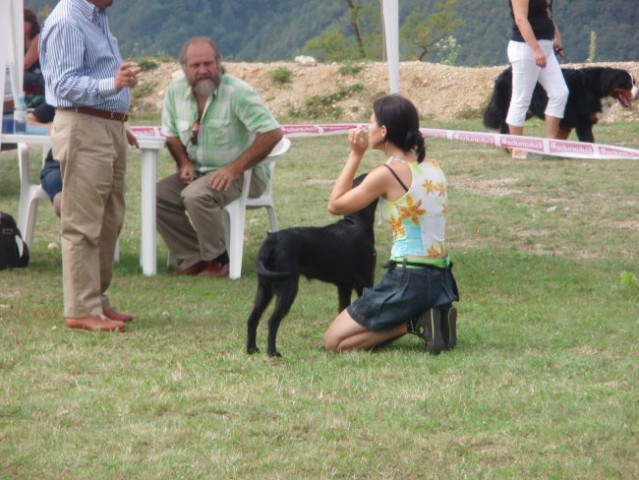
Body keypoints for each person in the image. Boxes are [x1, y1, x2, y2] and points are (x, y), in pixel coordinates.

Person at [323, 94, 459, 354]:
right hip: (441, 277)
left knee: (333, 342)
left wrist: (355, 154)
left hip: (408, 277)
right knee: (343, 339)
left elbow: (335, 205)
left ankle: (415, 322)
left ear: (383, 131)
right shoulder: (434, 169)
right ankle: (430, 316)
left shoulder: (388, 174)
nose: (367, 127)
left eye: (371, 122)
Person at [39, 0, 141, 333]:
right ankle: (81, 308)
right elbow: (62, 85)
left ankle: (96, 298)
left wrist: (118, 103)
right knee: (83, 221)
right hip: (85, 127)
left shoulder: (96, 16)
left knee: (110, 218)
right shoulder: (67, 21)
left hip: (105, 125)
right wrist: (111, 85)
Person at [157, 37, 283, 277]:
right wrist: (183, 162)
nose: (203, 70)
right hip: (200, 171)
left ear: (219, 63)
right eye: (196, 66)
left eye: (208, 63)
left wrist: (234, 169)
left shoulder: (238, 92)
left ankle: (218, 261)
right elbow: (171, 135)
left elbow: (272, 133)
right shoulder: (174, 92)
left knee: (195, 195)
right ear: (184, 68)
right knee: (158, 196)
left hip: (245, 176)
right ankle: (192, 258)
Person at [506, 0, 569, 158]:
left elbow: (546, 12)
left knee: (560, 93)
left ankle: (550, 144)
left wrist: (556, 35)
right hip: (525, 49)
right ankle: (517, 149)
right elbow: (521, 19)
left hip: (545, 46)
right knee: (521, 100)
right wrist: (535, 49)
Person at [26, 102, 62, 217]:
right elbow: (27, 122)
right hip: (56, 165)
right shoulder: (62, 99)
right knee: (61, 203)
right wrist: (51, 129)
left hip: (89, 165)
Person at [23, 8, 44, 98]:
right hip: (30, 76)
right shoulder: (22, 39)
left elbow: (25, 64)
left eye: (23, 22)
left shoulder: (38, 38)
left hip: (40, 77)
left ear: (31, 24)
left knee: (21, 76)